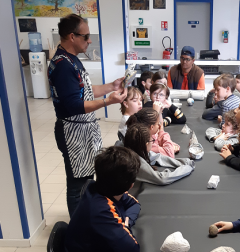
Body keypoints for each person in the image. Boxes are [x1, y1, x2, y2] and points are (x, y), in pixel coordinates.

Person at [48, 14, 128, 217]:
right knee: (77, 184)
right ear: (72, 36)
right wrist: (108, 101)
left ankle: (86, 218)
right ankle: (78, 229)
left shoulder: (71, 60)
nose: (89, 40)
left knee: (85, 178)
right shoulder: (64, 66)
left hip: (83, 130)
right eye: (86, 36)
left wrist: (111, 86)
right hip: (73, 131)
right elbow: (75, 104)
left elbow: (84, 90)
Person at [65, 146, 141, 252]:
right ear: (131, 186)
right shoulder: (100, 210)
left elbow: (134, 204)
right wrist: (126, 227)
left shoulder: (101, 187)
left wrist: (126, 222)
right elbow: (132, 248)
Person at [124, 124, 195, 185]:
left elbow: (158, 157)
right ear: (146, 144)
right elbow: (161, 179)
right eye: (152, 140)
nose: (153, 142)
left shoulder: (136, 149)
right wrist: (186, 169)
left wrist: (185, 162)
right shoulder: (136, 163)